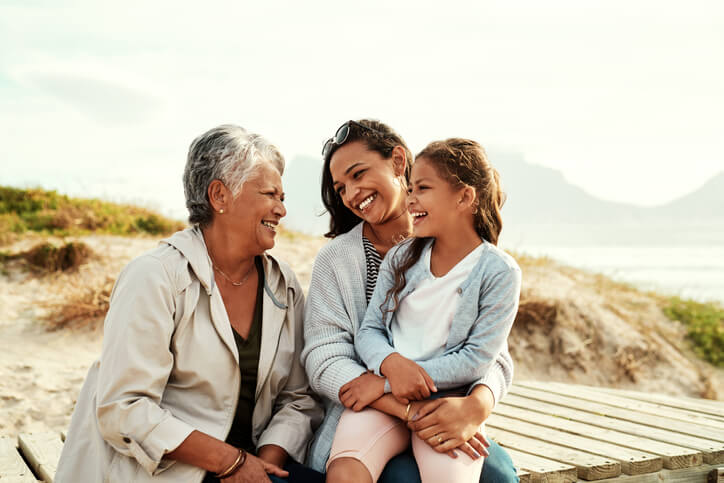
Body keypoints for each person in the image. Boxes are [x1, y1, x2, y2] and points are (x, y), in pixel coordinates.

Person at [56, 125, 324, 483]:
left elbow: (297, 398)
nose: (281, 209)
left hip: (255, 464)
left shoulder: (283, 284)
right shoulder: (154, 277)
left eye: (283, 196)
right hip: (168, 472)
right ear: (219, 196)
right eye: (270, 194)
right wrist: (231, 463)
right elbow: (125, 408)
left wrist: (264, 466)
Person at [302, 120, 520, 482]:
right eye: (341, 188)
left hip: (447, 404)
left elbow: (490, 353)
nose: (352, 194)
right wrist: (396, 394)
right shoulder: (339, 260)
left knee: (498, 476)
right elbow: (325, 358)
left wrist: (476, 405)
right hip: (371, 409)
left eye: (359, 174)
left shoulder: (479, 260)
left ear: (398, 162)